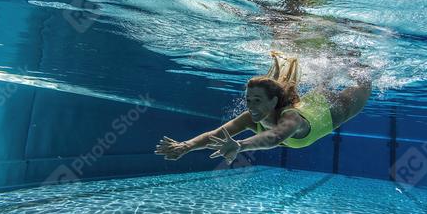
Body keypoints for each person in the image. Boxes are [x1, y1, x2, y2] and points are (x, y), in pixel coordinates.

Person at [155, 51, 371, 164]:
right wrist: (186, 146)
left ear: (274, 102)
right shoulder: (250, 117)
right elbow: (216, 135)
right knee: (323, 82)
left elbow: (273, 138)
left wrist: (240, 146)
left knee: (364, 81)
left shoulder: (291, 119)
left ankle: (347, 61)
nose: (250, 106)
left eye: (257, 100)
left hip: (333, 110)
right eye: (248, 100)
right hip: (311, 102)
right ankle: (328, 72)